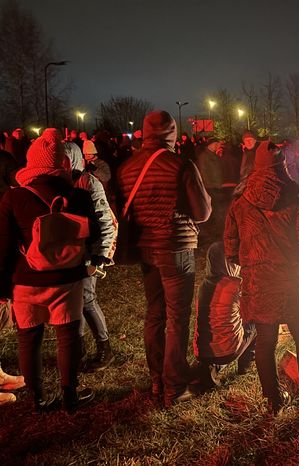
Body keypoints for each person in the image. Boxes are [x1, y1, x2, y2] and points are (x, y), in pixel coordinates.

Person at [0, 128, 99, 412]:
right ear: (61, 162)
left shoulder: (14, 197)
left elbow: (4, 246)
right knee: (68, 336)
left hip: (26, 281)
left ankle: (37, 397)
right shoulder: (76, 195)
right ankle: (70, 393)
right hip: (67, 279)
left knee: (29, 338)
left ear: (32, 162)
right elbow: (90, 235)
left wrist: (3, 286)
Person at [117, 111, 211, 407]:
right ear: (172, 133)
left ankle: (157, 380)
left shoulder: (127, 168)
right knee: (177, 318)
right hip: (175, 247)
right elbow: (202, 213)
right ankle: (174, 387)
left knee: (154, 313)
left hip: (145, 248)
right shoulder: (180, 165)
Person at [224, 141, 299, 414]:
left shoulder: (240, 204)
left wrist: (250, 265)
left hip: (258, 281)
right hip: (289, 280)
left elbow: (230, 247)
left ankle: (273, 399)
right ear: (282, 167)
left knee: (266, 339)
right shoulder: (293, 202)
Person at [64, 142, 118, 372]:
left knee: (86, 298)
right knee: (71, 302)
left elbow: (106, 220)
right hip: (68, 251)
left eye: (65, 159)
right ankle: (78, 349)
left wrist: (101, 255)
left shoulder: (88, 182)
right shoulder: (59, 183)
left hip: (87, 251)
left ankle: (104, 349)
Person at [191, 241, 256, 392]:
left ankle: (211, 367)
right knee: (257, 323)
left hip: (201, 351)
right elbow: (253, 308)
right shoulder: (235, 285)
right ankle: (246, 367)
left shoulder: (204, 285)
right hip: (226, 352)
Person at [233, 130, 258, 196]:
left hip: (254, 186)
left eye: (250, 140)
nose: (248, 142)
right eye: (246, 140)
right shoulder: (244, 153)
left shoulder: (258, 153)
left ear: (255, 141)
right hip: (245, 185)